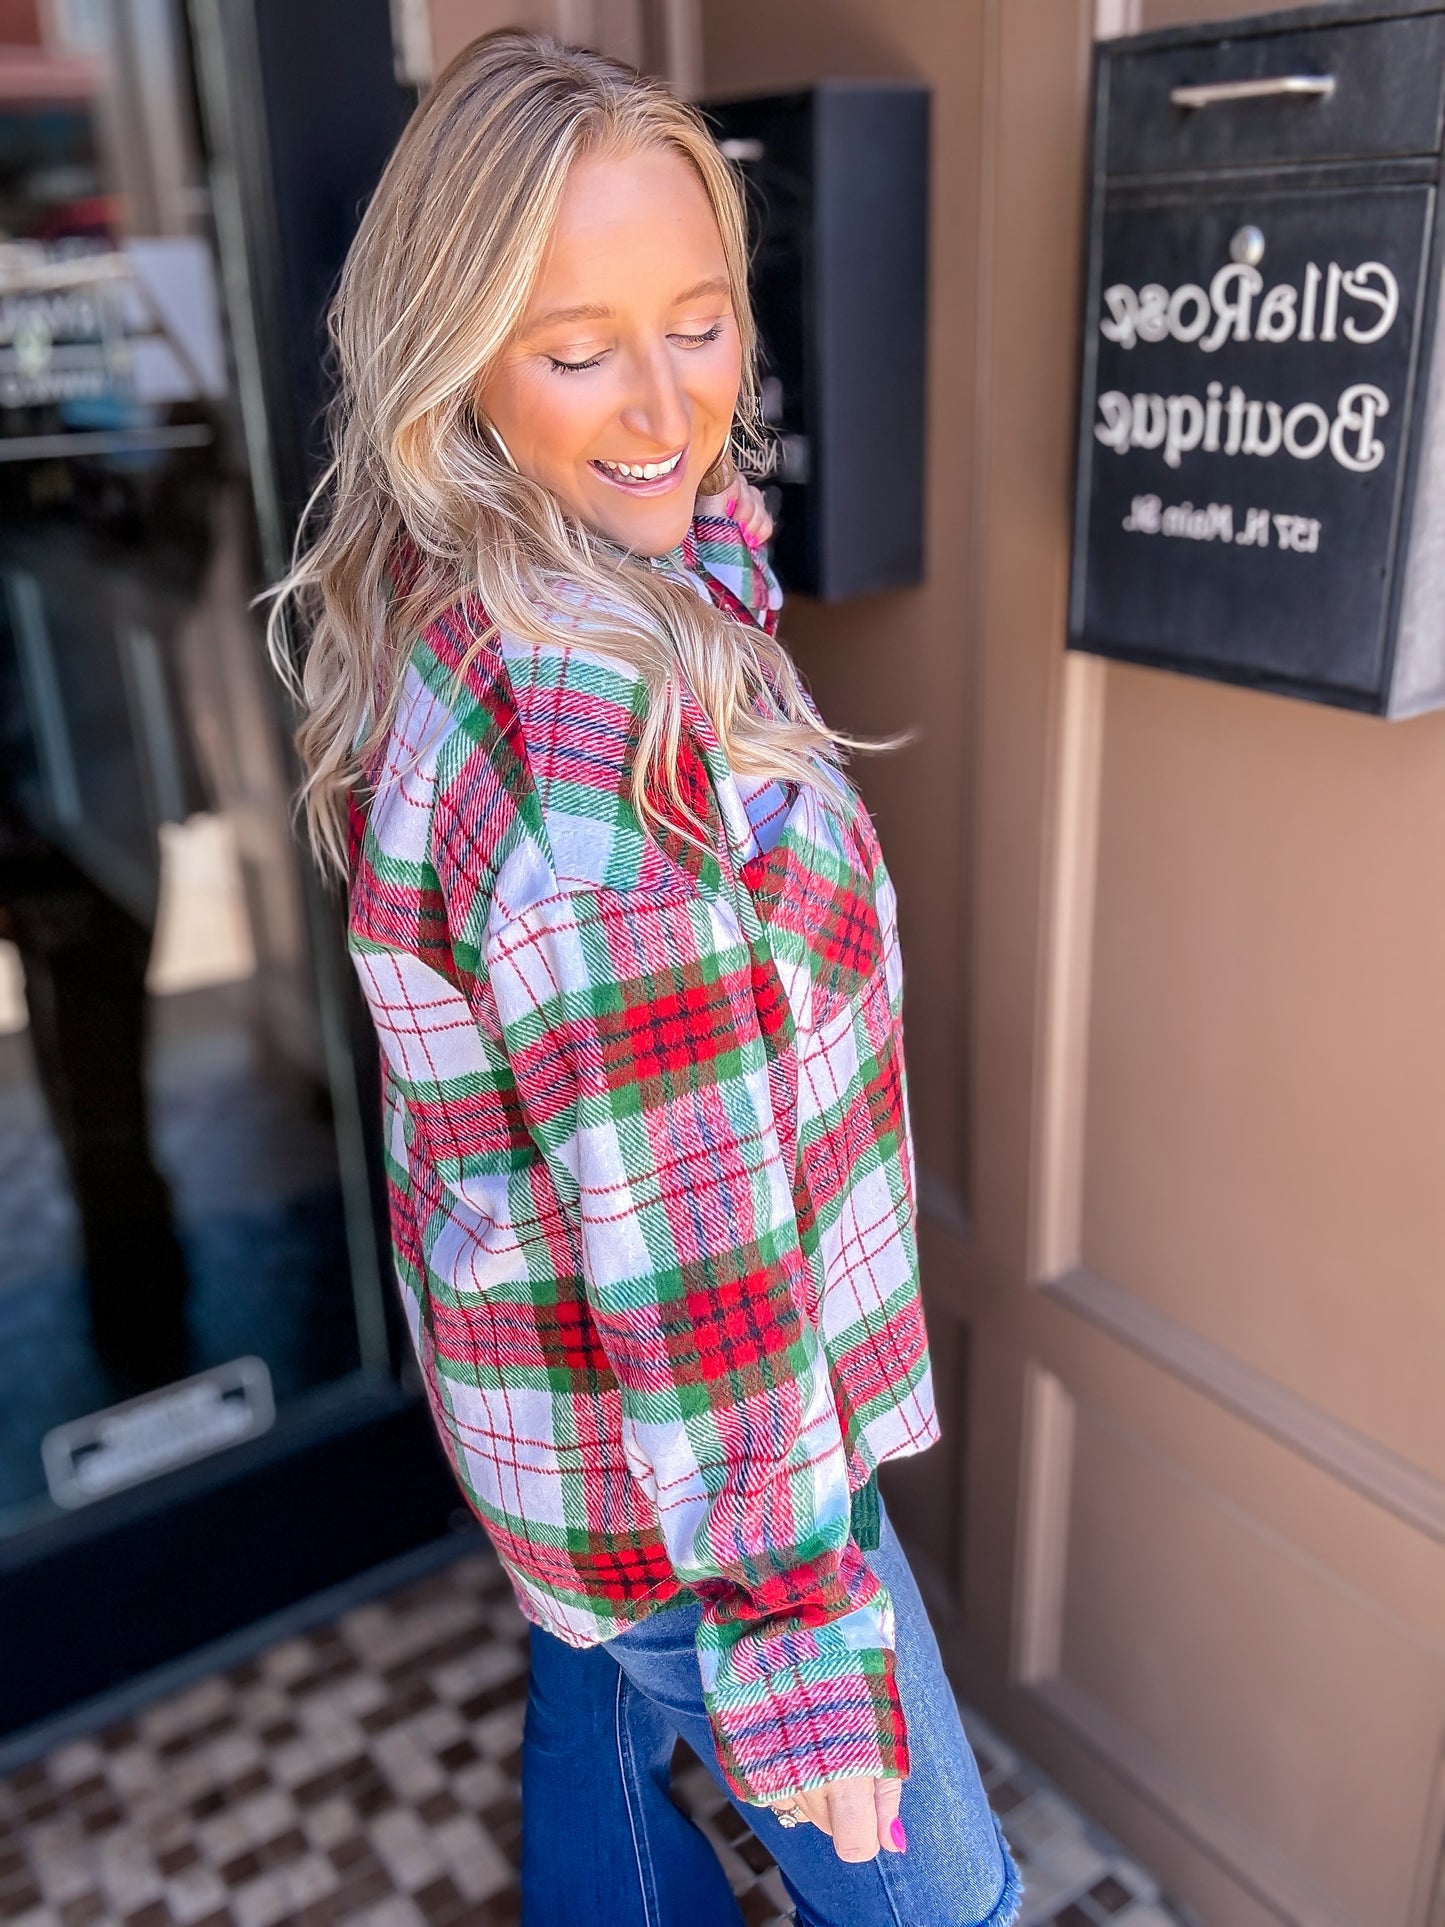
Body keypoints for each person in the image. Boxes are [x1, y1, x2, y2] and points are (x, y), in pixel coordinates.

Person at [271, 30, 1020, 1927]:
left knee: (592, 1728)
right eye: (575, 346)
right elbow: (693, 1244)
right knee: (949, 1911)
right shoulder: (606, 755)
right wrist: (794, 1630)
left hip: (565, 1448)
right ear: (458, 366)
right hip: (717, 1471)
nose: (664, 408)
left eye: (696, 321)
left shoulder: (487, 600)